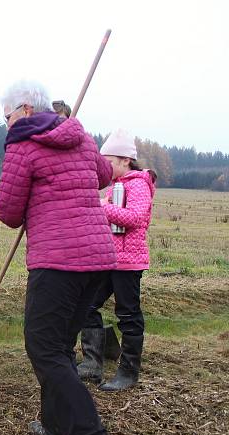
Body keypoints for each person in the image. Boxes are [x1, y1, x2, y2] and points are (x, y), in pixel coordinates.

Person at [0, 81, 115, 435]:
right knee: (60, 346)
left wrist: (33, 194)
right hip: (97, 258)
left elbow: (8, 212)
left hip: (58, 261)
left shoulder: (22, 144)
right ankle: (55, 423)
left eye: (7, 114)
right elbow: (102, 175)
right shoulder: (78, 135)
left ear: (26, 110)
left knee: (44, 347)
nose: (6, 122)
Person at [78, 129, 156, 391]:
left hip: (129, 262)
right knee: (87, 306)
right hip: (109, 259)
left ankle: (128, 371)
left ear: (125, 160)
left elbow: (134, 218)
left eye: (109, 161)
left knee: (128, 314)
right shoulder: (115, 187)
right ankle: (92, 363)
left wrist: (102, 206)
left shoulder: (139, 185)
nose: (106, 167)